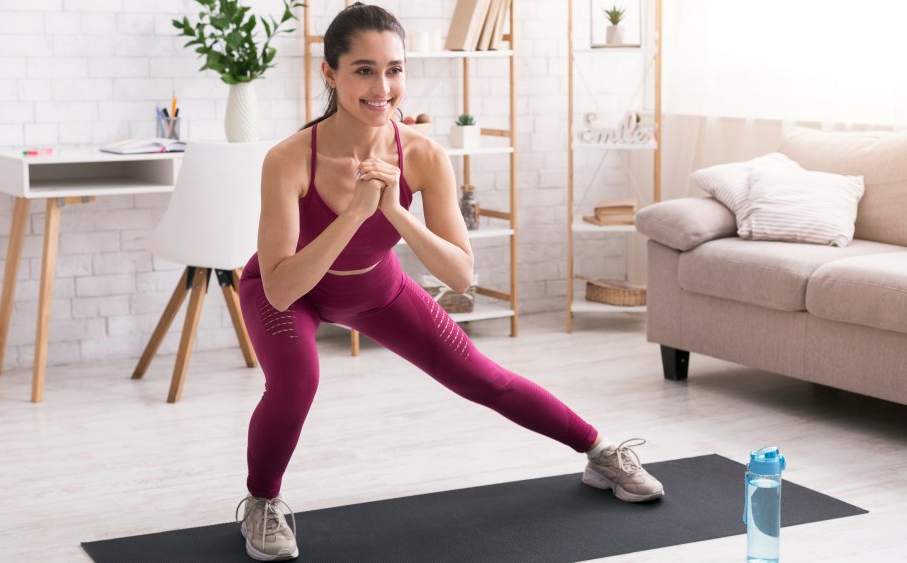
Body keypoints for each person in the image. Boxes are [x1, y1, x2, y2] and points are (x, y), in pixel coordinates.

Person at [234, 3, 664, 560]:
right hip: (289, 289)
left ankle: (601, 452)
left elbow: (460, 275)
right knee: (297, 382)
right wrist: (354, 214)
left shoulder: (425, 156)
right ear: (329, 73)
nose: (382, 87)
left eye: (394, 69)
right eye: (363, 69)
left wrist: (394, 210)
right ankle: (262, 503)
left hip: (376, 287)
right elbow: (282, 287)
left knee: (483, 378)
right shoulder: (289, 159)